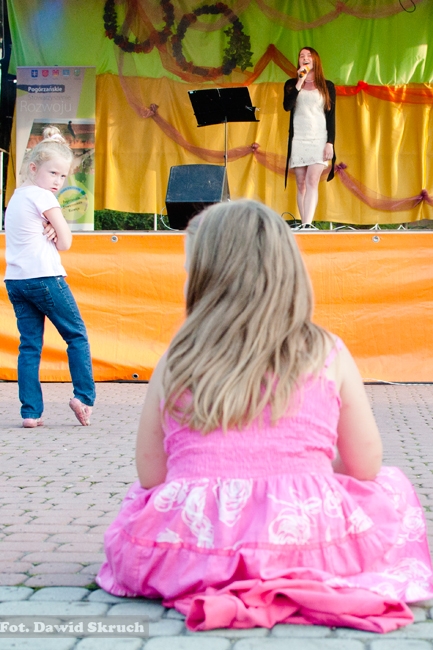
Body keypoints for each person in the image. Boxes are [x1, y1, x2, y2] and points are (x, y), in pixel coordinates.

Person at [97, 200, 433, 632]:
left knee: (140, 504)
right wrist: (304, 471)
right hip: (309, 542)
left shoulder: (176, 358)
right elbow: (364, 466)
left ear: (203, 278)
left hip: (190, 552)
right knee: (391, 485)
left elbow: (151, 475)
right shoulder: (325, 351)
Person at [4, 126, 95, 428]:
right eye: (52, 173)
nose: (57, 181)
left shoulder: (16, 197)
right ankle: (84, 397)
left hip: (16, 281)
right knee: (76, 335)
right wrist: (57, 229)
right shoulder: (44, 197)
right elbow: (66, 242)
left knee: (29, 346)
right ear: (33, 168)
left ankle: (30, 413)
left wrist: (52, 229)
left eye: (63, 176)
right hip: (45, 277)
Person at [283, 47, 336, 226]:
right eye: (301, 56)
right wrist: (300, 81)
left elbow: (331, 117)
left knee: (312, 180)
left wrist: (330, 142)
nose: (305, 58)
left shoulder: (327, 86)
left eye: (308, 56)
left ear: (315, 60)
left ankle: (306, 225)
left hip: (319, 138)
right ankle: (304, 223)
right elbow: (287, 106)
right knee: (301, 183)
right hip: (299, 138)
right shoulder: (291, 84)